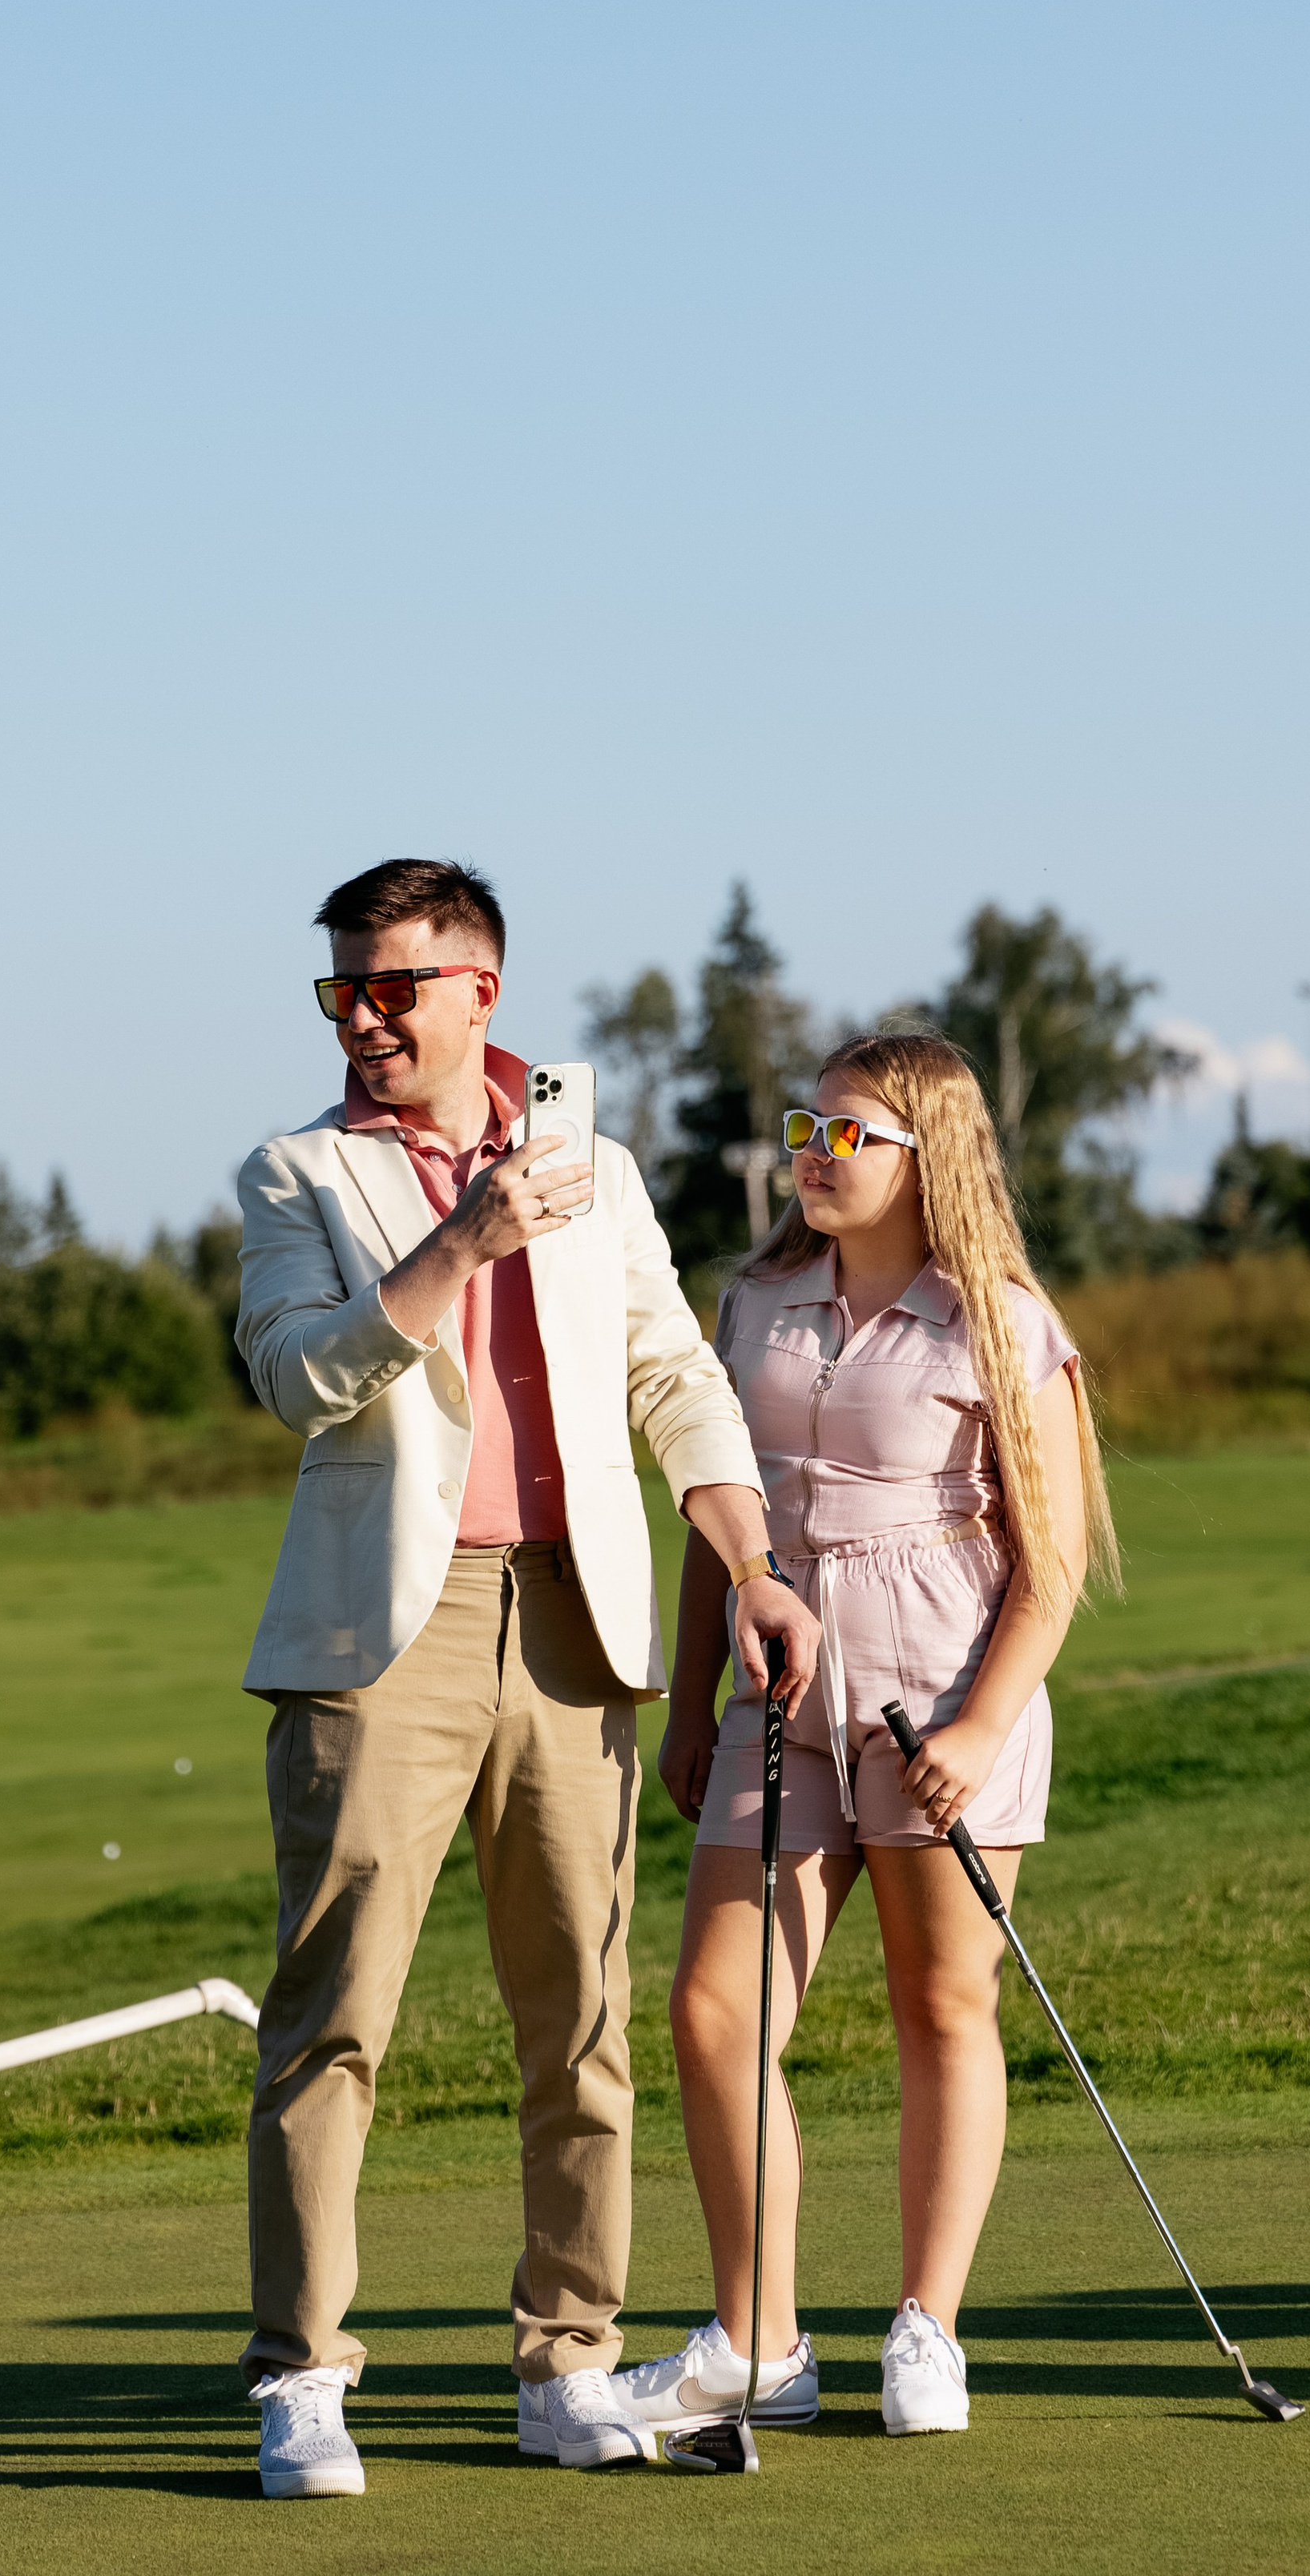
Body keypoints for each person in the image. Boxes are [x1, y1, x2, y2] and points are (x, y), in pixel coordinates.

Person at [232, 856, 820, 2497]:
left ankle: (566, 2363)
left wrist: (754, 1565)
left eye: (392, 987)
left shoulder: (587, 1164)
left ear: (478, 990)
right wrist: (455, 1247)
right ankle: (303, 2380)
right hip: (379, 1644)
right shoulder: (296, 1174)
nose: (362, 1017)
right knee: (331, 2022)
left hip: (574, 1630)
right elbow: (298, 1380)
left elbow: (670, 1374)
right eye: (341, 987)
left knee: (579, 2024)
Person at [623, 1030, 1119, 2443]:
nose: (814, 1156)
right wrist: (692, 1688)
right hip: (776, 1702)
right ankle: (762, 2340)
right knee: (718, 2013)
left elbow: (1054, 1562)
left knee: (942, 2007)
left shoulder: (1004, 1322)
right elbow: (721, 1512)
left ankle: (928, 2330)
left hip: (938, 1695)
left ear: (929, 1156)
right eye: (806, 1128)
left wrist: (984, 1721)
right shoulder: (757, 1300)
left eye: (851, 1136)